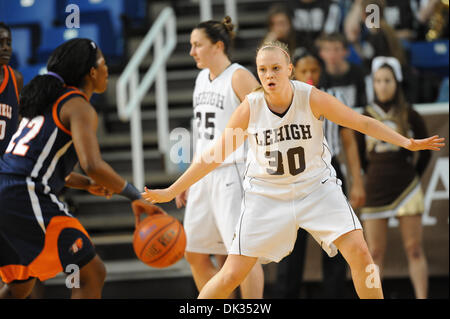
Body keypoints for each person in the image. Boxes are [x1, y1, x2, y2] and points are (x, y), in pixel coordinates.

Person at [142, 40, 444, 299]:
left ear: (289, 69)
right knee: (231, 274)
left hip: (316, 188)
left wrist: (407, 142)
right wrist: (173, 188)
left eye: (275, 68)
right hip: (267, 196)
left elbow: (361, 122)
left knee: (361, 253)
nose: (269, 75)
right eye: (262, 70)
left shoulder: (310, 98)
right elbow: (214, 154)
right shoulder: (251, 107)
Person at [0, 38, 163, 299]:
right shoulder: (78, 106)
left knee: (20, 286)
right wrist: (136, 196)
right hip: (24, 194)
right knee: (91, 275)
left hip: (8, 190)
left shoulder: (44, 101)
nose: (107, 69)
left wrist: (86, 184)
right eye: (103, 63)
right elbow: (93, 165)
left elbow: (40, 164)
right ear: (91, 72)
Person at [175, 16, 264, 298]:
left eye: (197, 45)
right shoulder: (201, 77)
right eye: (191, 45)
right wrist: (188, 177)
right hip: (204, 174)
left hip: (233, 171)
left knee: (242, 255)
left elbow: (265, 122)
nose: (192, 52)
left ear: (218, 46)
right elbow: (200, 133)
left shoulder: (239, 76)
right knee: (195, 253)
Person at [273, 49, 366, 298]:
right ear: (293, 71)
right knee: (290, 250)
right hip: (292, 175)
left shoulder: (331, 97)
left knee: (337, 247)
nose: (311, 74)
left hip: (328, 171)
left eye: (315, 69)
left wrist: (357, 182)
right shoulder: (279, 101)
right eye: (305, 70)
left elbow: (348, 141)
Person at [355, 56, 433, 299]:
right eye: (378, 81)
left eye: (387, 80)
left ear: (396, 82)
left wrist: (414, 176)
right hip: (376, 189)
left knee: (414, 249)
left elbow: (425, 151)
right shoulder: (365, 115)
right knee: (374, 253)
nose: (383, 85)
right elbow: (359, 156)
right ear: (373, 84)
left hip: (407, 188)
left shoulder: (409, 114)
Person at [316, 32, 367, 109]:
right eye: (327, 50)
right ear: (321, 53)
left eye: (336, 49)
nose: (332, 54)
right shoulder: (318, 75)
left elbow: (364, 103)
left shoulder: (358, 73)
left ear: (346, 52)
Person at [0, 22, 23, 155]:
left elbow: (17, 119)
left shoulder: (16, 78)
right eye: (0, 43)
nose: (6, 48)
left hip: (6, 162)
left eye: (9, 43)